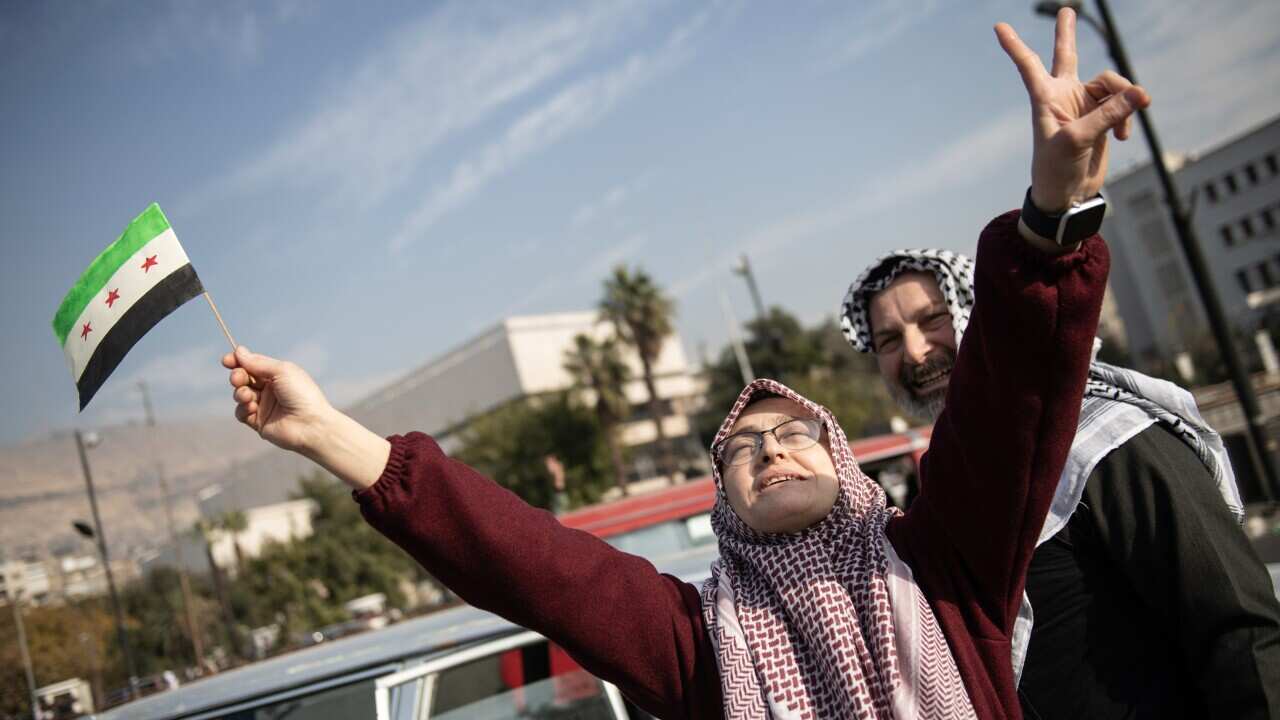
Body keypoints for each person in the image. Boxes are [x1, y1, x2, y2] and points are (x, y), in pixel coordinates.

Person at [223, 11, 1139, 719]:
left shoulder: (946, 563)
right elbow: (530, 564)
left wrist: (1057, 211)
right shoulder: (697, 642)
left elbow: (1009, 403)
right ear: (723, 503)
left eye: (794, 434)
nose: (772, 451)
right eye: (744, 450)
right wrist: (325, 434)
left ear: (843, 460)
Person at [840, 103, 1280, 720]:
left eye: (931, 320)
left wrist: (1052, 211)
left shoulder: (1106, 438)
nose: (915, 352)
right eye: (888, 341)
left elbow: (1241, 632)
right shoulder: (947, 490)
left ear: (975, 314)